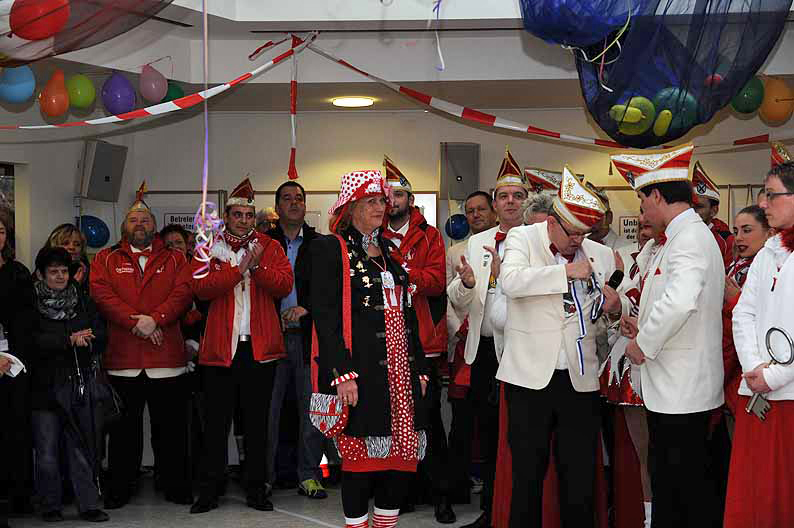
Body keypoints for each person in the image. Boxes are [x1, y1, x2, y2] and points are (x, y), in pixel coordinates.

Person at [497, 166, 619, 527]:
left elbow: (614, 305)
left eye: (584, 233)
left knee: (579, 478)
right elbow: (512, 282)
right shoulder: (522, 238)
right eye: (572, 233)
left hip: (580, 379)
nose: (578, 241)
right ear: (552, 221)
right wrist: (565, 272)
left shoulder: (599, 253)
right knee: (527, 475)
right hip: (528, 377)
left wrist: (618, 308)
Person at [611, 144, 725, 528]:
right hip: (673, 388)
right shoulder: (675, 239)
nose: (642, 210)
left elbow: (679, 302)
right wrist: (640, 324)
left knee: (680, 489)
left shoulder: (689, 238)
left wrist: (641, 344)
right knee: (670, 484)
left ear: (657, 196)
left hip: (683, 389)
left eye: (643, 201)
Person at [311, 169, 429, 528]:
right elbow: (325, 318)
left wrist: (421, 369)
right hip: (360, 372)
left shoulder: (389, 251)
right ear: (351, 207)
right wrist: (341, 374)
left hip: (402, 374)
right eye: (371, 201)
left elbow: (409, 315)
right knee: (360, 465)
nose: (381, 207)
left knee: (400, 464)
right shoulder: (331, 248)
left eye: (382, 200)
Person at [189, 178, 293, 514]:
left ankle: (256, 490)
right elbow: (200, 288)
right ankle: (209, 490)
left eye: (249, 215)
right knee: (216, 425)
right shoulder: (207, 247)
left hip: (259, 350)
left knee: (257, 425)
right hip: (220, 350)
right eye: (237, 215)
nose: (244, 221)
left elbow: (284, 285)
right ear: (226, 216)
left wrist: (257, 267)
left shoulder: (270, 246)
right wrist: (239, 270)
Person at [90, 182, 194, 510]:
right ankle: (121, 488)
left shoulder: (176, 258)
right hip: (124, 359)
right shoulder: (105, 258)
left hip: (168, 360)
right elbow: (102, 295)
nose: (140, 224)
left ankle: (175, 486)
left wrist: (156, 319)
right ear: (124, 226)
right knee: (124, 433)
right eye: (134, 220)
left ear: (155, 226)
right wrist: (138, 323)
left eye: (145, 220)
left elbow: (183, 293)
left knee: (171, 431)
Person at [447, 147, 529, 528]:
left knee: (521, 435)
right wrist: (466, 284)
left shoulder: (539, 239)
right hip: (483, 353)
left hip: (523, 350)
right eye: (503, 196)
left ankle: (519, 511)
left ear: (527, 201)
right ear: (495, 205)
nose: (510, 202)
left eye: (517, 195)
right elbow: (458, 299)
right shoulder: (476, 243)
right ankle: (492, 510)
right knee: (490, 433)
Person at [381, 156, 452, 523]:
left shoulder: (430, 235)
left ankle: (442, 495)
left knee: (429, 420)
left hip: (422, 341)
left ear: (410, 200)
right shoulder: (372, 235)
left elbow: (437, 281)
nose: (391, 202)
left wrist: (404, 276)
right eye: (386, 196)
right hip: (383, 342)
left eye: (398, 196)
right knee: (392, 422)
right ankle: (402, 494)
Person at [726, 161, 794, 528]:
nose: (764, 204)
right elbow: (744, 313)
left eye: (771, 195)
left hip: (787, 393)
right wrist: (755, 368)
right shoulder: (768, 252)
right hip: (757, 390)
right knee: (755, 496)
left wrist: (777, 376)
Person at [29, 247, 109, 523]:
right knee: (47, 452)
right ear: (41, 274)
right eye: (53, 272)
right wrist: (68, 340)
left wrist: (88, 339)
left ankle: (88, 505)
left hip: (78, 384)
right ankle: (50, 505)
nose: (60, 276)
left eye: (64, 271)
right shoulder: (30, 302)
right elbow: (29, 342)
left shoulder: (83, 301)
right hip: (44, 388)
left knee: (82, 449)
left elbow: (101, 335)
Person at [265, 181, 328, 499]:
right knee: (268, 411)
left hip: (307, 339)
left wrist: (307, 308)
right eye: (287, 199)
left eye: (299, 198)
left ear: (305, 205)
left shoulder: (321, 244)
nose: (294, 203)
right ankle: (264, 477)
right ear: (277, 207)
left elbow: (332, 291)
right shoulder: (263, 243)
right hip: (270, 338)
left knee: (311, 410)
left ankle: (309, 475)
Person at [599, 214, 658, 528]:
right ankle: (648, 518)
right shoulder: (633, 263)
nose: (644, 229)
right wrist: (617, 311)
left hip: (667, 365)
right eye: (642, 225)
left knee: (664, 452)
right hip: (632, 366)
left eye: (650, 223)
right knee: (643, 451)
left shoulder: (678, 254)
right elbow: (625, 309)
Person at [444, 190, 497, 505]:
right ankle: (457, 488)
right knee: (463, 420)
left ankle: (493, 494)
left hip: (497, 344)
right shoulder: (456, 251)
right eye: (470, 211)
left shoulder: (513, 244)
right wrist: (457, 330)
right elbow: (448, 297)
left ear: (493, 211)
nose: (476, 215)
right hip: (464, 347)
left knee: (493, 424)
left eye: (481, 209)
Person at [0, 215, 35, 528]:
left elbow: (27, 321)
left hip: (13, 364)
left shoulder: (18, 273)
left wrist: (8, 357)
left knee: (16, 431)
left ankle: (19, 498)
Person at [692, 161, 735, 267]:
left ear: (714, 211)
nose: (693, 211)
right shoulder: (680, 234)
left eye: (699, 207)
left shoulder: (726, 241)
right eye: (690, 206)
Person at [585, 183, 632, 251]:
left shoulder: (625, 248)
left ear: (609, 218)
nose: (590, 223)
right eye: (586, 216)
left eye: (596, 216)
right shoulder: (578, 244)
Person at [44, 224, 90, 290]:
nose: (72, 247)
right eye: (65, 243)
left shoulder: (85, 269)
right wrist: (75, 285)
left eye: (77, 244)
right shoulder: (44, 270)